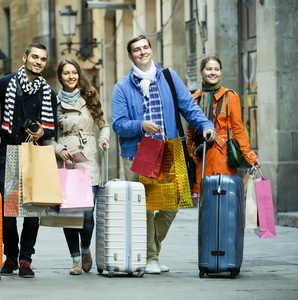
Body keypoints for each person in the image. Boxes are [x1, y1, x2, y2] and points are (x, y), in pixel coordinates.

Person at [111, 35, 217, 274]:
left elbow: (189, 106)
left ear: (151, 49)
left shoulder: (169, 77)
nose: (142, 52)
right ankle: (150, 258)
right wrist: (141, 126)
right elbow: (118, 124)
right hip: (142, 150)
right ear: (130, 56)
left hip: (171, 148)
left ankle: (150, 251)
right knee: (147, 207)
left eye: (145, 47)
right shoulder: (122, 87)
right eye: (136, 50)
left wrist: (206, 125)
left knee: (174, 203)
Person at [0, 43, 58, 278]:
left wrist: (43, 132)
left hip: (35, 153)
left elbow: (53, 128)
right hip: (8, 151)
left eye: (43, 59)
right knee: (9, 211)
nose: (38, 62)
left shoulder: (48, 92)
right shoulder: (5, 83)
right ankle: (11, 257)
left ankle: (26, 259)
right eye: (34, 57)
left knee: (34, 209)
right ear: (25, 58)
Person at [54, 58, 110, 275]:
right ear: (60, 77)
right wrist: (59, 150)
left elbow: (104, 125)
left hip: (87, 160)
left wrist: (103, 139)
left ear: (79, 74)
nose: (71, 77)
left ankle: (85, 248)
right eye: (66, 73)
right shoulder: (55, 102)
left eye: (74, 72)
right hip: (66, 162)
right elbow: (50, 136)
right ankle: (76, 260)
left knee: (87, 216)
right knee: (70, 214)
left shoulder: (90, 95)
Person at [186, 56, 261, 200]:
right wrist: (189, 159)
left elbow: (238, 130)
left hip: (223, 157)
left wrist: (250, 156)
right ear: (201, 72)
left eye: (216, 69)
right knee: (205, 204)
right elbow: (191, 133)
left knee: (224, 199)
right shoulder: (194, 98)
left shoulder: (230, 97)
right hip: (201, 156)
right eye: (209, 69)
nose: (213, 73)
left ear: (221, 72)